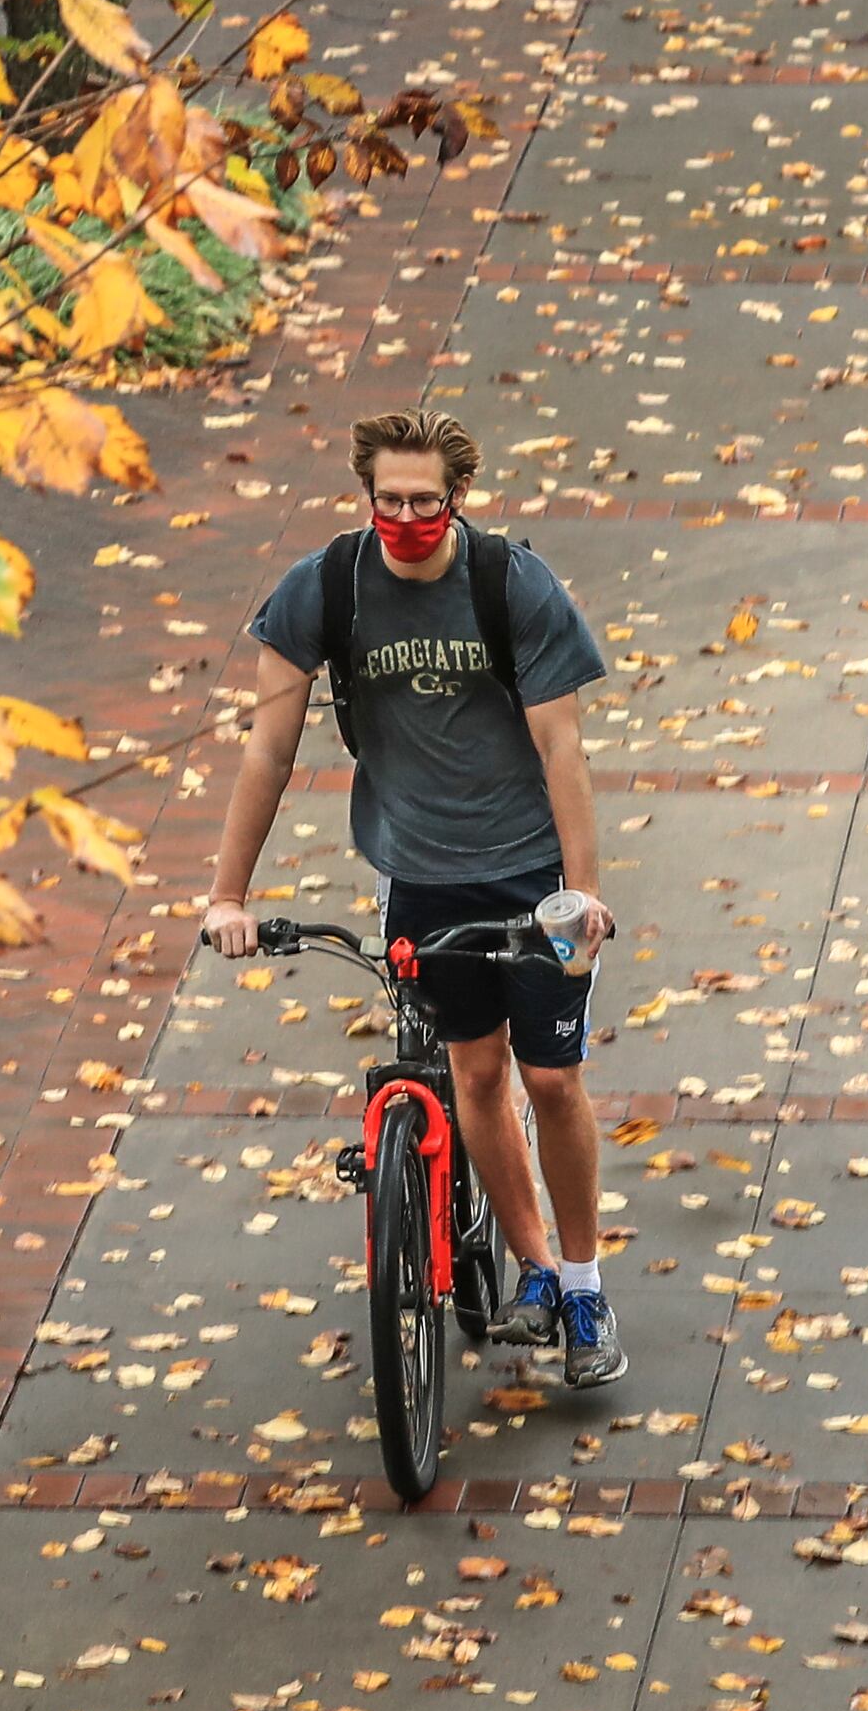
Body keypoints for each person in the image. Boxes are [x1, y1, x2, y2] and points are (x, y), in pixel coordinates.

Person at [197, 410, 625, 1387]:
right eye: (386, 500)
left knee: (551, 1081)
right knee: (474, 1076)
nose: (404, 518)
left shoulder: (509, 585)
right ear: (366, 496)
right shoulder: (329, 588)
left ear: (456, 499)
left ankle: (591, 1288)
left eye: (423, 501)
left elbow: (563, 749)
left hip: (527, 874)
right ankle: (538, 1274)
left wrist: (584, 893)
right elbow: (268, 746)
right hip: (418, 874)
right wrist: (229, 894)